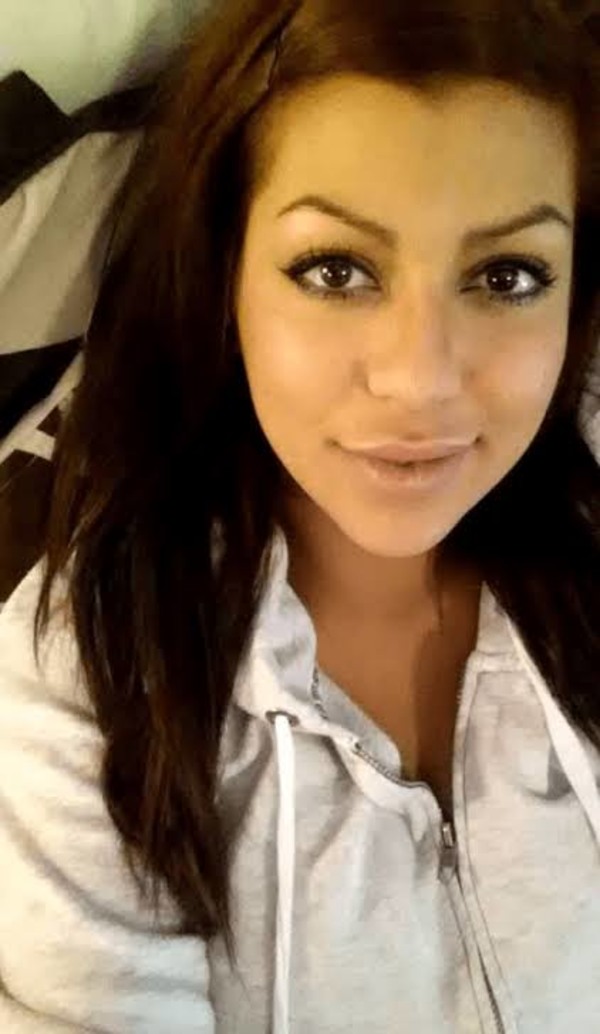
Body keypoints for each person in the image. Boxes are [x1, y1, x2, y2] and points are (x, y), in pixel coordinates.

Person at [0, 0, 599, 1030]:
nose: (420, 380)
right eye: (336, 270)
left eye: (507, 275)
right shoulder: (89, 680)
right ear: (222, 277)